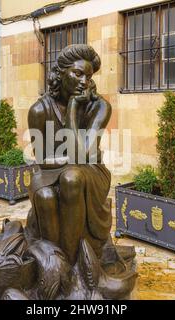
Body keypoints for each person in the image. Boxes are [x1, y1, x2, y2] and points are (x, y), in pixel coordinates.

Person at [26, 44, 112, 266]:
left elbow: (85, 155)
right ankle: (54, 263)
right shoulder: (39, 110)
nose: (84, 81)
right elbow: (42, 160)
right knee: (45, 196)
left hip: (91, 171)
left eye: (89, 76)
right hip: (49, 170)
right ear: (60, 74)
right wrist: (67, 161)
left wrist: (73, 109)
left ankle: (72, 265)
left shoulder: (100, 107)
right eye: (77, 73)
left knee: (71, 178)